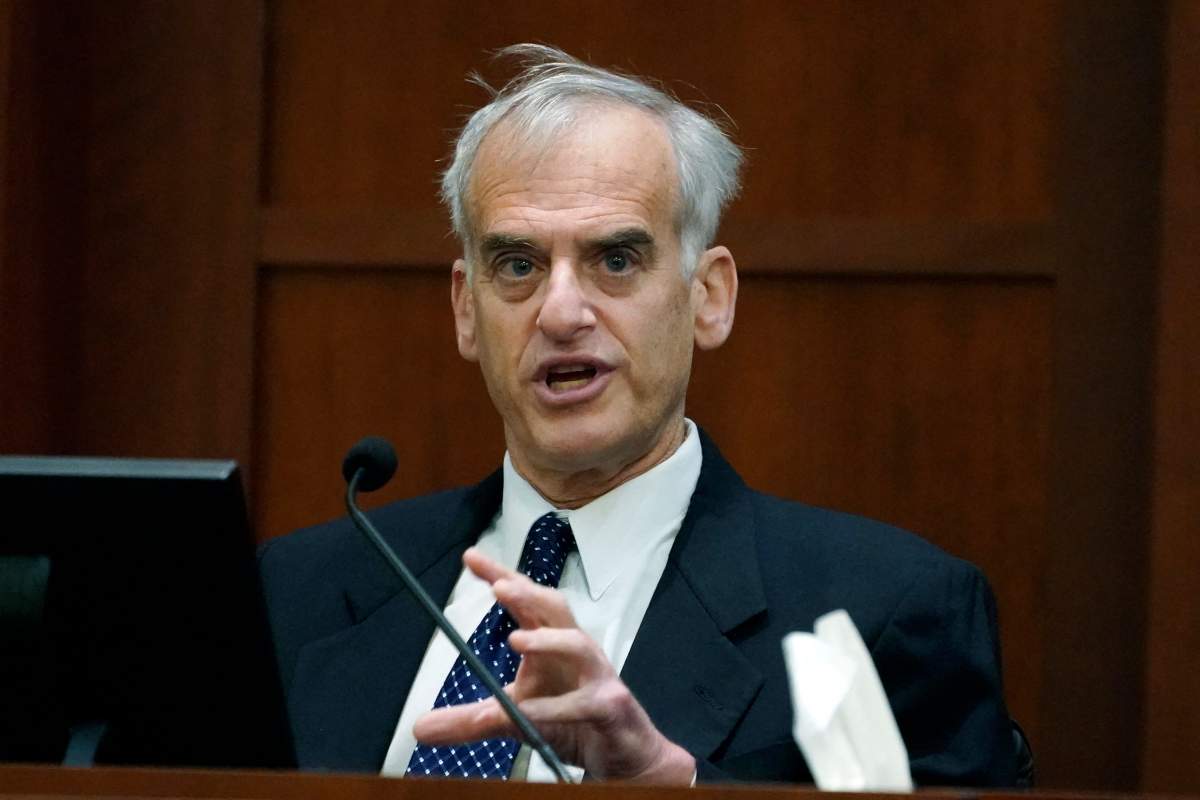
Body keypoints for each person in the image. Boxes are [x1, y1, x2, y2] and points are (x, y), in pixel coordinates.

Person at [258, 44, 1019, 786]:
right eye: (517, 265)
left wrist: (670, 781)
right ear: (466, 309)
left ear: (708, 297)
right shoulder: (298, 593)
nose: (560, 311)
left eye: (615, 260)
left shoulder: (884, 611)